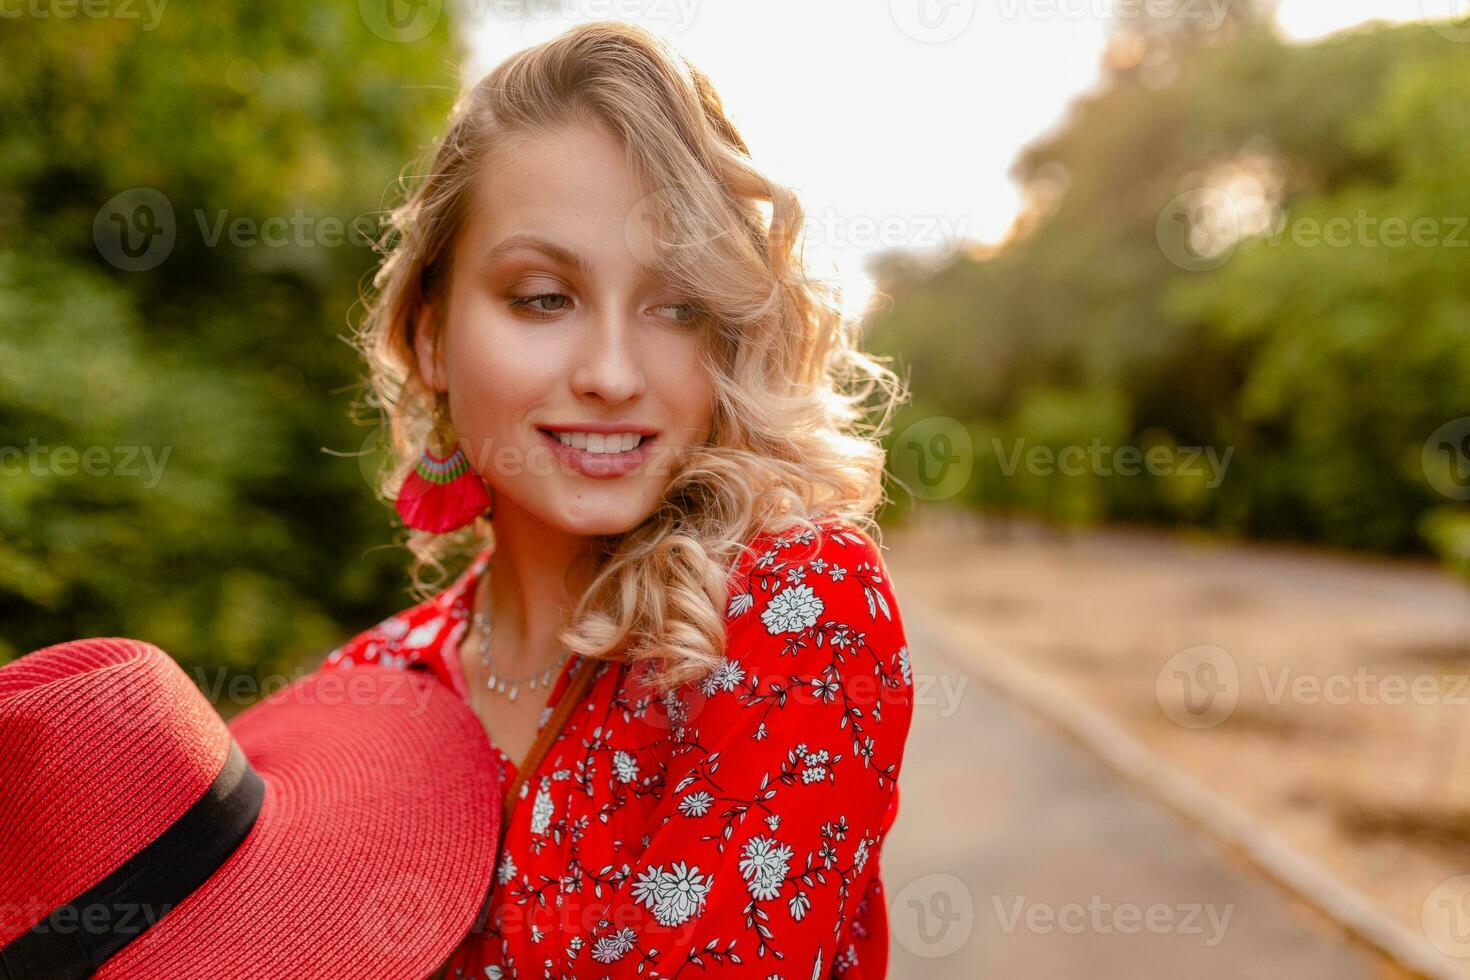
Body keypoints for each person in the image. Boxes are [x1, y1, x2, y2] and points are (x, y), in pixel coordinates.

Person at [320, 20, 914, 978]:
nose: (609, 372)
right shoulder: (366, 689)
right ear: (431, 336)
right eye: (544, 297)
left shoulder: (793, 606)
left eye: (675, 305)